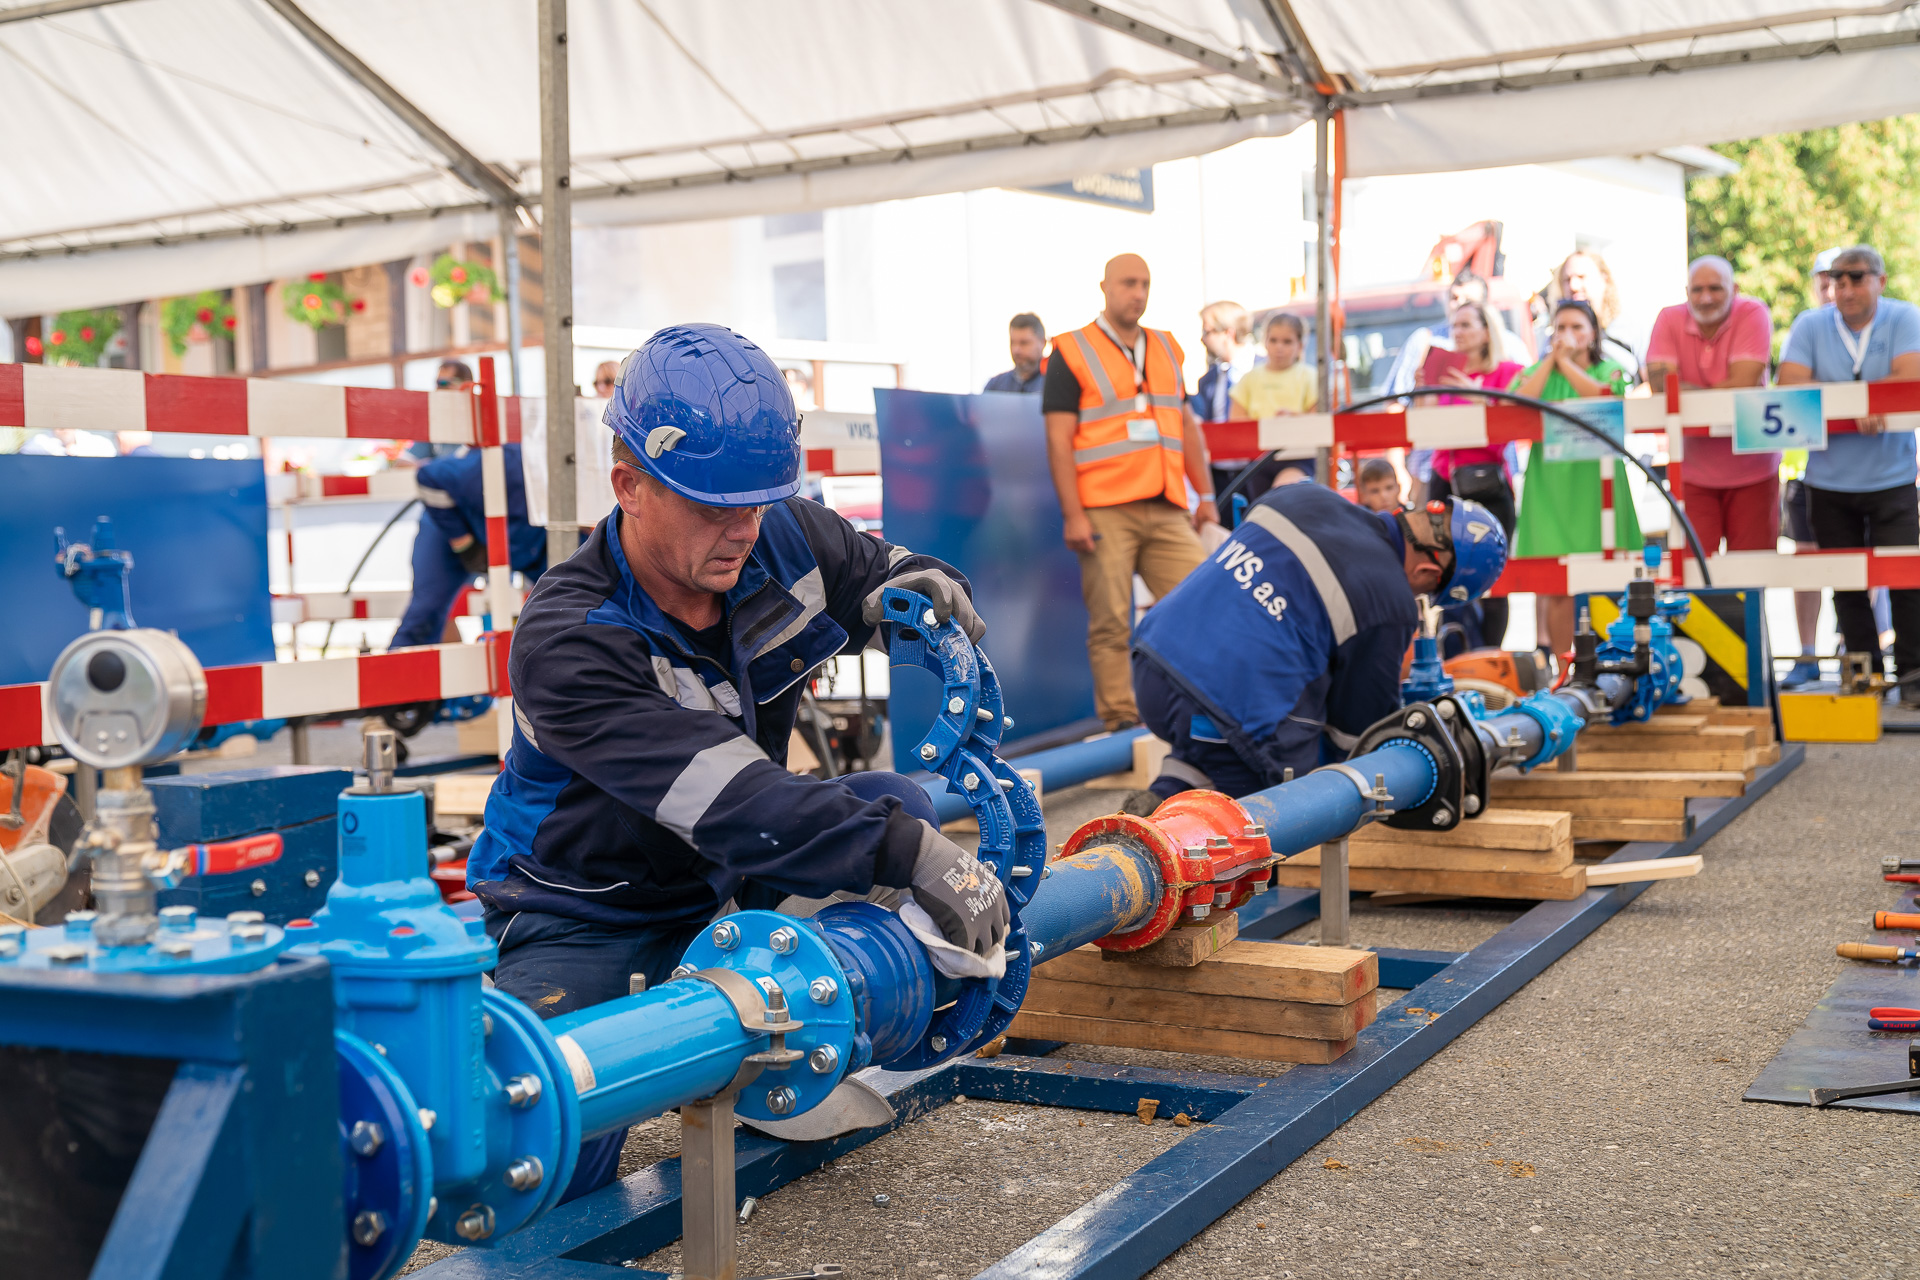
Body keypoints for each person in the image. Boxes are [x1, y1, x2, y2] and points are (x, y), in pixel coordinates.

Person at [469, 323, 1012, 1198]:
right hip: (585, 911)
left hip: (724, 876)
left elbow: (877, 569)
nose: (742, 532)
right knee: (538, 1155)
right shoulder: (570, 638)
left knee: (894, 801)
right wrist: (916, 858)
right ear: (628, 486)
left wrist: (921, 587)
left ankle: (777, 1056)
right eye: (713, 508)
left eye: (758, 504)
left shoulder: (776, 536)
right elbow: (734, 802)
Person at [1124, 488, 1508, 807]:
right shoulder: (1390, 601)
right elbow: (1357, 733)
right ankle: (1193, 851)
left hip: (1152, 663)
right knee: (1277, 816)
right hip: (1223, 707)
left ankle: (1167, 795)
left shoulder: (1305, 496)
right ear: (1428, 573)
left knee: (1230, 723)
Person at [1043, 253, 1217, 729]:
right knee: (1111, 622)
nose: (1138, 293)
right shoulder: (1072, 350)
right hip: (1104, 509)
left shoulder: (1166, 347)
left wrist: (1205, 496)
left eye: (1145, 284)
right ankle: (1122, 721)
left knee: (1204, 603)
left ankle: (1204, 708)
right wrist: (1073, 514)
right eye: (1128, 283)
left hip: (1166, 504)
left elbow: (1186, 425)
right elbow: (1058, 439)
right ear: (1105, 287)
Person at [1777, 245, 1920, 705]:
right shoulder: (1810, 324)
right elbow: (1789, 384)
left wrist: (1851, 398)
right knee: (1846, 584)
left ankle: (1913, 677)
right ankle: (1864, 677)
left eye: (1856, 277)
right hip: (1829, 480)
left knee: (1906, 580)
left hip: (1893, 476)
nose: (1845, 287)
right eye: (1837, 279)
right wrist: (1858, 401)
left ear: (1880, 280)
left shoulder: (1903, 317)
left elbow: (1910, 377)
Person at [1512, 299, 1640, 657]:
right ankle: (1563, 668)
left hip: (1597, 489)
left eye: (1576, 327)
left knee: (1610, 579)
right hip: (1550, 490)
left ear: (1593, 333)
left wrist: (1566, 364)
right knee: (1557, 586)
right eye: (1560, 327)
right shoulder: (1537, 371)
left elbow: (1602, 398)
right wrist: (1551, 362)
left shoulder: (1610, 369)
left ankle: (1613, 662)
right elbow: (1515, 401)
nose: (1567, 335)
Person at [1646, 256, 1776, 563]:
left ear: (1735, 289)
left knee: (1753, 571)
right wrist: (1719, 391)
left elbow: (1743, 384)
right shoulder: (1669, 317)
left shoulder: (1753, 312)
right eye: (1697, 289)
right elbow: (1661, 386)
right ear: (1687, 292)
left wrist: (1688, 393)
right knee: (1693, 574)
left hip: (1753, 468)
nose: (1705, 298)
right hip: (1692, 470)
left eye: (1715, 288)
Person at [1420, 299, 1524, 647]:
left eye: (1466, 324)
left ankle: (1489, 654)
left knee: (1494, 575)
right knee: (1446, 571)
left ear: (1486, 330)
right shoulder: (1442, 371)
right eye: (1454, 325)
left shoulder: (1507, 372)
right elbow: (1425, 430)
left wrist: (1478, 394)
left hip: (1488, 483)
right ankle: (1458, 653)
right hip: (1444, 479)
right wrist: (1425, 390)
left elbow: (1514, 422)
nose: (1458, 332)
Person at [389, 437, 549, 648]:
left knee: (570, 598)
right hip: (456, 520)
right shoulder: (489, 465)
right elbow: (430, 476)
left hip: (524, 531)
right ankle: (403, 667)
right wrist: (463, 542)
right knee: (426, 611)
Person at [1780, 248, 1846, 688]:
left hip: (1859, 470)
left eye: (1840, 280)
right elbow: (1789, 387)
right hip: (1807, 468)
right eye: (1824, 281)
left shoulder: (1869, 328)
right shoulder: (1806, 328)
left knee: (1857, 564)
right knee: (1806, 564)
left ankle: (1850, 646)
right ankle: (1807, 653)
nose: (1831, 289)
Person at [1228, 313, 1320, 490]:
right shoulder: (1249, 379)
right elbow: (1236, 422)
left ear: (1300, 345)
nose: (1279, 347)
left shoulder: (1310, 376)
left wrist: (1292, 418)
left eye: (1287, 342)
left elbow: (1317, 420)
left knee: (1283, 492)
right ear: (1265, 342)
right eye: (1274, 340)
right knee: (1262, 503)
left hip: (1298, 457)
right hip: (1258, 460)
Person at [1550, 250, 1638, 381]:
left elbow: (1652, 383)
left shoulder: (1631, 327)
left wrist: (1617, 394)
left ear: (1604, 280)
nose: (1573, 286)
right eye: (1567, 280)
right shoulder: (1549, 335)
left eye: (1581, 277)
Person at [1192, 300, 1255, 423]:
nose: (1202, 339)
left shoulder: (1263, 369)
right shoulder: (1207, 381)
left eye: (1207, 332)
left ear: (1228, 333)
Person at [984, 314, 1047, 393]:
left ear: (1043, 343)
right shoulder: (995, 386)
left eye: (1024, 343)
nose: (1016, 350)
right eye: (1012, 342)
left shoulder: (1055, 384)